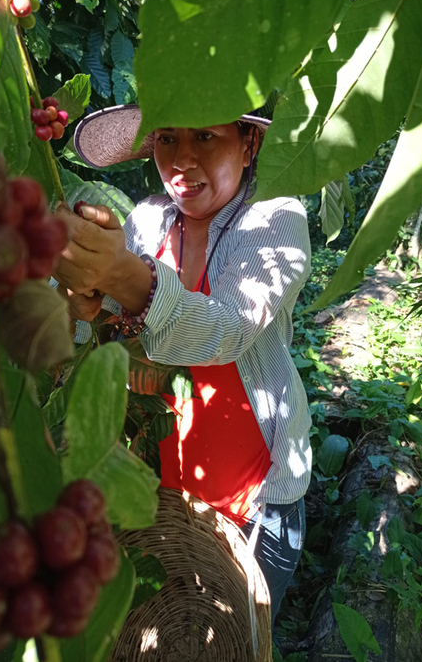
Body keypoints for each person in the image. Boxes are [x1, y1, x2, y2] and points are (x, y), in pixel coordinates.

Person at [53, 103, 312, 637]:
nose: (182, 159)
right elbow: (106, 334)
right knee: (162, 633)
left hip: (253, 506)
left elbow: (227, 330)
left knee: (239, 640)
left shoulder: (274, 219)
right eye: (168, 139)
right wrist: (84, 304)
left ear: (249, 145)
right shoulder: (147, 222)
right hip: (161, 491)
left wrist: (125, 277)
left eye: (205, 137)